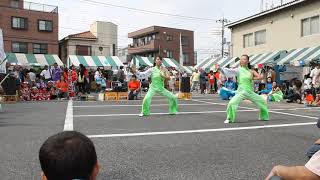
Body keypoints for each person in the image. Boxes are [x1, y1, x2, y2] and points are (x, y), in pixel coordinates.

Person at [217, 54, 269, 123]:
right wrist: (220, 68)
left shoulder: (251, 71)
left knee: (262, 102)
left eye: (244, 59)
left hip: (250, 92)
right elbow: (229, 71)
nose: (242, 60)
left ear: (247, 61)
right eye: (241, 59)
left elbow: (260, 77)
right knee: (232, 103)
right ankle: (229, 118)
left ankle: (264, 117)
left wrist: (252, 78)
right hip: (241, 92)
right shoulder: (238, 70)